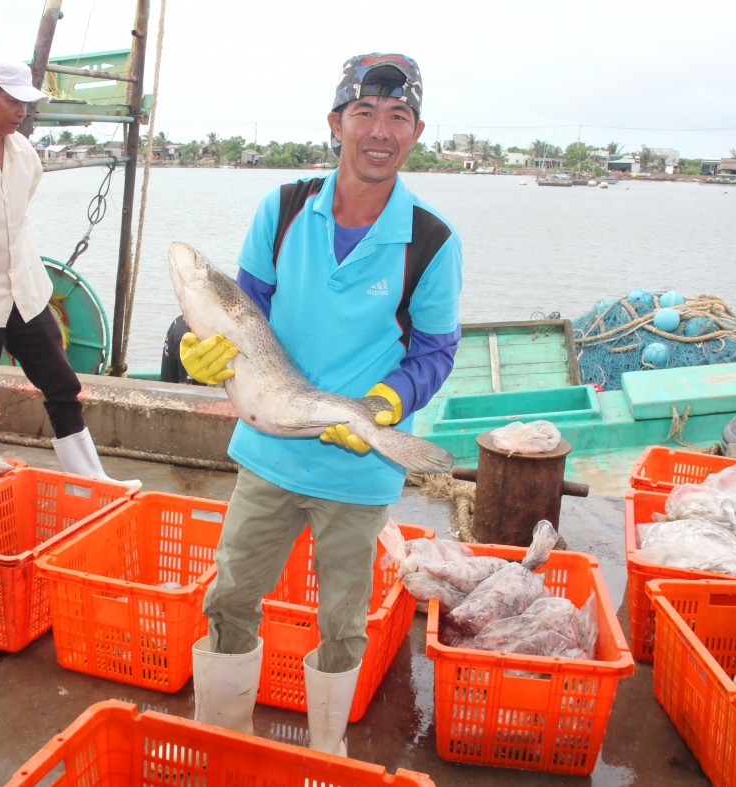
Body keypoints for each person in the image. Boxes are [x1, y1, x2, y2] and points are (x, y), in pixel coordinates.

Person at [179, 53, 462, 754]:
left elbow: (435, 351)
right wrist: (203, 353)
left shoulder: (432, 241)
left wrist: (385, 403)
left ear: (417, 132)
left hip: (358, 466)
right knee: (230, 597)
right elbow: (244, 315)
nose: (380, 130)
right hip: (267, 454)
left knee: (342, 620)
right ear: (336, 123)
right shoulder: (281, 209)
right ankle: (224, 742)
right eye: (364, 112)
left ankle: (327, 751)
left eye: (398, 116)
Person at [0, 53, 136, 487]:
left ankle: (92, 480)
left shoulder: (24, 154)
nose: (22, 112)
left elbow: (16, 215)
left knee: (62, 385)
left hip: (26, 294)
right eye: (13, 102)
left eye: (26, 104)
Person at [160, 314, 199, 384]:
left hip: (167, 385)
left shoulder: (180, 320)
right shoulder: (189, 338)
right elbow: (185, 386)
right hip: (178, 388)